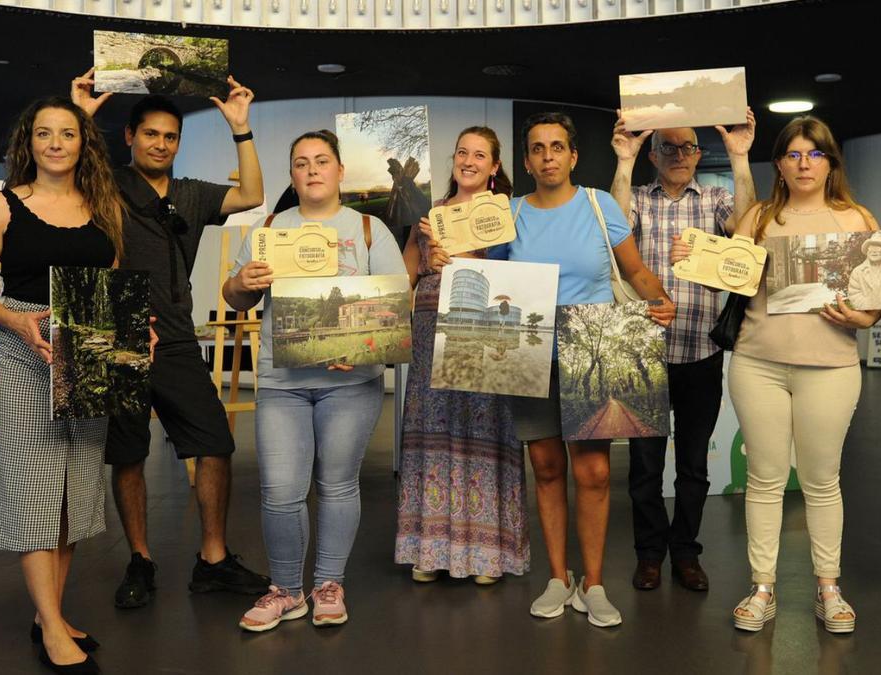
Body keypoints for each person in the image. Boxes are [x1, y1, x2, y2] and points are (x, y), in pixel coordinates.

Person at [431, 112, 675, 628]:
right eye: (538, 148)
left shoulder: (598, 204)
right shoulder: (509, 212)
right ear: (526, 160)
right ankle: (558, 578)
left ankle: (595, 583)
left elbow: (633, 270)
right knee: (546, 469)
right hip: (528, 348)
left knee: (594, 471)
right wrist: (448, 259)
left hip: (595, 346)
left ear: (573, 156)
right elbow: (484, 270)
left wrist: (660, 298)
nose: (548, 156)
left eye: (557, 147)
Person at [675, 116, 881, 634]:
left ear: (831, 161)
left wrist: (863, 318)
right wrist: (690, 257)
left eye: (814, 154)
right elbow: (721, 271)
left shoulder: (856, 219)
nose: (803, 163)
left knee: (821, 481)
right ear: (781, 164)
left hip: (831, 366)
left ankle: (829, 588)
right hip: (758, 364)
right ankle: (762, 587)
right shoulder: (760, 218)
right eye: (793, 154)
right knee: (765, 481)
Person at [71, 69, 269, 608]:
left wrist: (241, 127)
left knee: (215, 443)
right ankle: (140, 559)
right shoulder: (104, 184)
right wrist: (81, 120)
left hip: (177, 337)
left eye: (171, 136)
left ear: (178, 143)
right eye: (151, 133)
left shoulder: (191, 193)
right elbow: (60, 173)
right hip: (114, 329)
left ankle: (213, 559)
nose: (161, 143)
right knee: (129, 454)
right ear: (130, 136)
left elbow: (252, 192)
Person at [0, 97, 129, 673]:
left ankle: (48, 613)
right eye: (43, 133)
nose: (56, 143)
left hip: (86, 347)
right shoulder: (0, 206)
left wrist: (135, 332)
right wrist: (17, 320)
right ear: (27, 143)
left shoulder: (103, 206)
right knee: (35, 485)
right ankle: (54, 627)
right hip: (24, 348)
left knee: (75, 489)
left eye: (67, 133)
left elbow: (111, 287)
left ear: (84, 144)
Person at [224, 130, 408, 631]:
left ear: (340, 171)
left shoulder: (371, 230)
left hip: (351, 384)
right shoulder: (268, 228)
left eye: (321, 161)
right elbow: (237, 296)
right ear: (292, 175)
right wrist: (241, 284)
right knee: (280, 489)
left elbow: (396, 304)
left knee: (336, 483)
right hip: (282, 380)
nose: (311, 170)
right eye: (301, 162)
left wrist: (362, 343)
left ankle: (328, 584)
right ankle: (286, 590)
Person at [610, 109, 757, 591]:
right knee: (645, 468)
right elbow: (611, 235)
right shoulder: (634, 198)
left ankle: (686, 553)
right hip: (643, 353)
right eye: (668, 147)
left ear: (699, 154)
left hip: (700, 353)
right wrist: (624, 161)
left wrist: (739, 156)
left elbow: (748, 230)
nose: (678, 155)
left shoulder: (715, 198)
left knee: (694, 466)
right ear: (654, 154)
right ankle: (649, 554)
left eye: (688, 147)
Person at [394, 127, 529, 585]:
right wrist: (425, 262)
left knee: (485, 427)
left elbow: (521, 274)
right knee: (434, 428)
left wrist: (471, 253)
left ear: (495, 166)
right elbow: (405, 277)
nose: (468, 160)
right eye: (462, 152)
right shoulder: (428, 213)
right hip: (430, 329)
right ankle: (429, 547)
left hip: (483, 325)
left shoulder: (510, 214)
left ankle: (486, 551)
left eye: (480, 155)